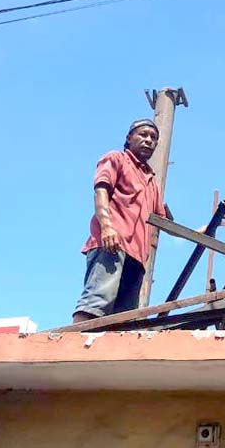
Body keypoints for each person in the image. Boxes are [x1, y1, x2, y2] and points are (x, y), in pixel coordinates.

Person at [72, 119, 168, 324]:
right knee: (95, 306)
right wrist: (107, 227)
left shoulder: (151, 181)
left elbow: (166, 223)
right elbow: (101, 190)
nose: (148, 140)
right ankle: (73, 351)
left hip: (137, 259)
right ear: (129, 138)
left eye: (153, 138)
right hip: (112, 245)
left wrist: (206, 232)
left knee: (122, 321)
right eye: (143, 135)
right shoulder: (117, 159)